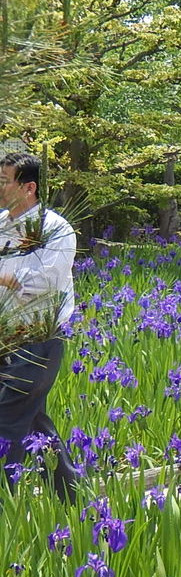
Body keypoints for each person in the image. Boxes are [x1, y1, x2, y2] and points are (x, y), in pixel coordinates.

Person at [0, 151, 78, 499]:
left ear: (28, 187)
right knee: (33, 422)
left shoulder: (56, 230)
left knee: (7, 419)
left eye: (5, 181)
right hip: (3, 337)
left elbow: (43, 283)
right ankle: (71, 496)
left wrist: (4, 277)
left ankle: (6, 503)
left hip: (38, 340)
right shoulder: (1, 225)